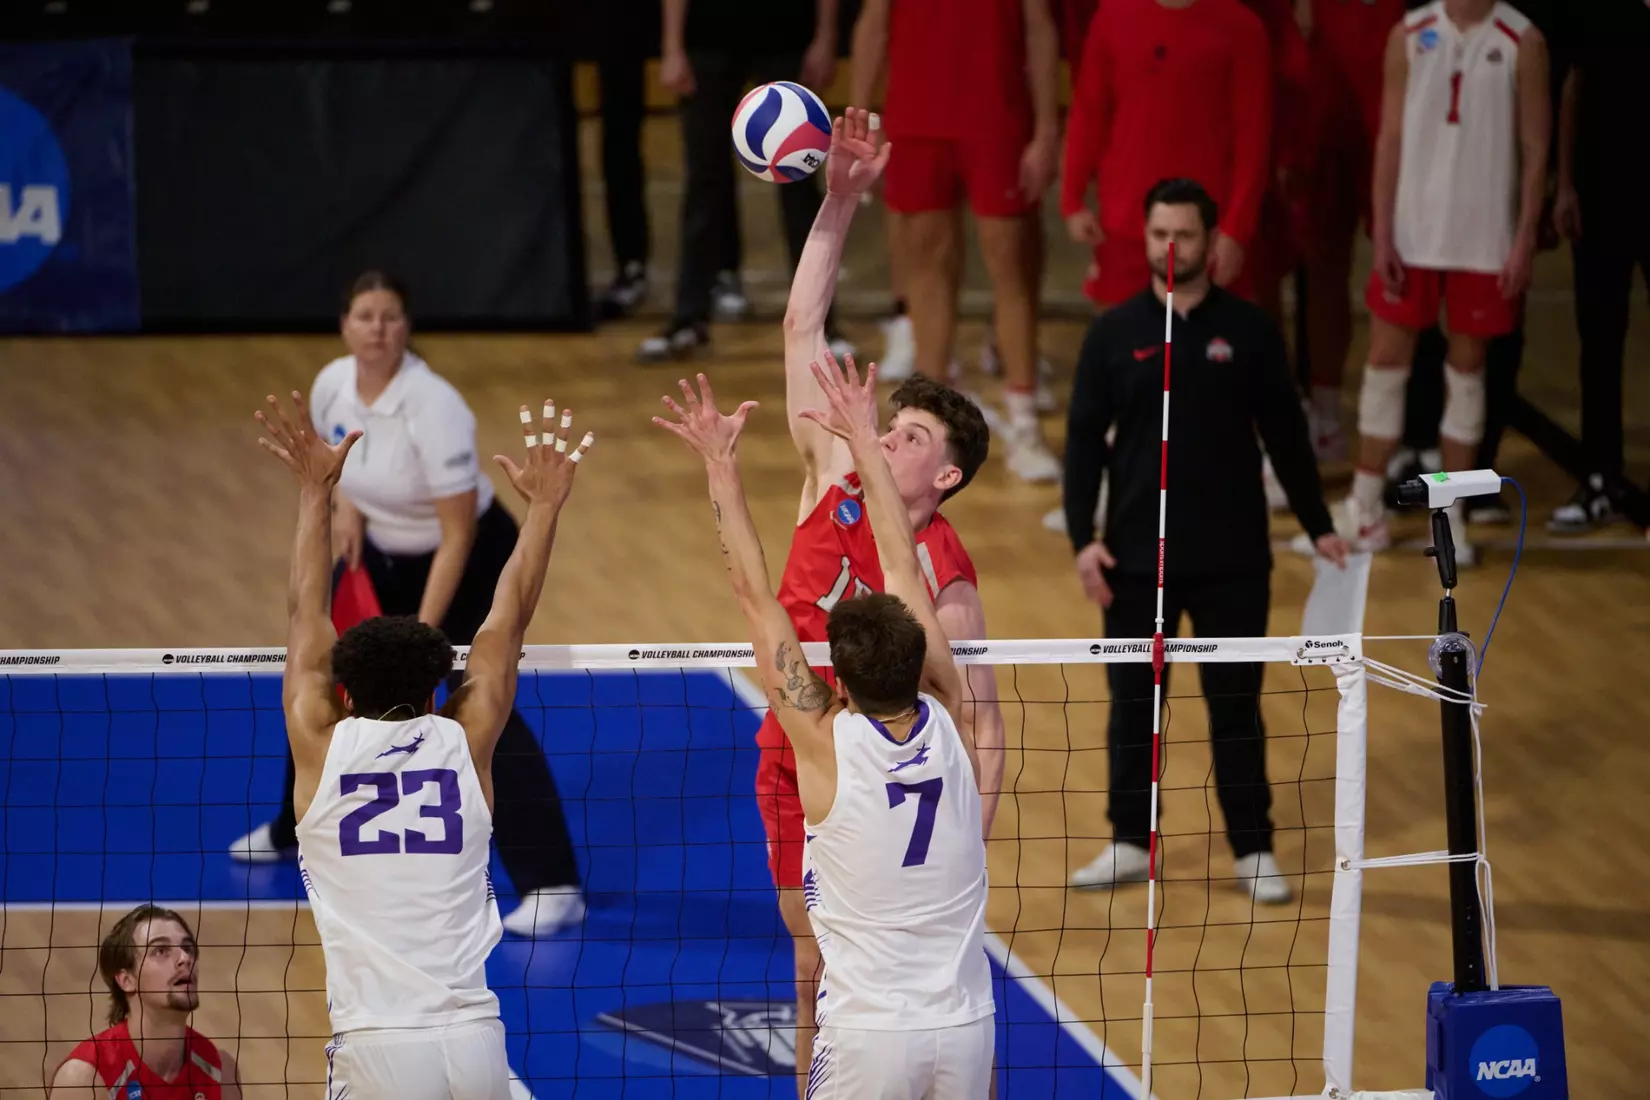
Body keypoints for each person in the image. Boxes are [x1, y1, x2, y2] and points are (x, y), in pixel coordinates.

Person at [747, 107, 1003, 1095]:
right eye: (890, 426)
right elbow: (801, 323)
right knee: (812, 953)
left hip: (892, 772)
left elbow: (984, 722)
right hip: (797, 748)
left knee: (855, 958)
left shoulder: (948, 570)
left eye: (912, 438)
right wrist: (842, 199)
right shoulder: (829, 474)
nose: (890, 439)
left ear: (947, 477)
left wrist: (961, 853)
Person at [653, 362, 994, 1099]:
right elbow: (904, 563)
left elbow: (752, 591)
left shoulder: (822, 743)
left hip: (870, 1041)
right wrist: (872, 450)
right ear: (919, 656)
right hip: (967, 1030)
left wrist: (720, 464)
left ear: (833, 669)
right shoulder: (951, 713)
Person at [253, 388, 591, 1099]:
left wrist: (317, 492)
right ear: (440, 687)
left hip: (375, 1049)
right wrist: (545, 508)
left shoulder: (318, 745)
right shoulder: (465, 745)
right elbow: (508, 618)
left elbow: (305, 612)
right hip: (474, 1040)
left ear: (344, 692)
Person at [228, 273, 585, 940]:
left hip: (462, 556)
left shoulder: (435, 405)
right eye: (366, 316)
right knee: (321, 682)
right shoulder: (335, 382)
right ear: (345, 325)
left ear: (407, 327)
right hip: (380, 551)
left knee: (475, 702)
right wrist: (347, 510)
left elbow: (458, 534)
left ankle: (551, 880)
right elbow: (353, 465)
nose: (378, 329)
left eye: (391, 318)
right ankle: (290, 822)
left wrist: (423, 634)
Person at [1061, 179, 1349, 902]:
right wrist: (1080, 540)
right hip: (1133, 562)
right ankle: (1130, 840)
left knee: (1236, 706)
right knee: (1133, 706)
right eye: (1159, 234)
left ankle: (1253, 848)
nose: (1170, 248)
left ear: (1211, 242)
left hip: (1233, 564)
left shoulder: (1249, 332)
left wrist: (1320, 527)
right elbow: (1081, 446)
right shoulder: (1113, 333)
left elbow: (1286, 436)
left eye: (1184, 235)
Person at [1342, 0, 1550, 564]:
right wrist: (1383, 231)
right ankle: (1363, 509)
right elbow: (1389, 139)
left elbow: (1536, 151)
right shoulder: (1409, 34)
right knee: (1385, 364)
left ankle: (1450, 517)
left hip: (1483, 239)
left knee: (1467, 373)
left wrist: (1524, 235)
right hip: (1412, 233)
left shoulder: (1521, 38)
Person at [850, 0, 1064, 482]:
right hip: (917, 116)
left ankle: (1025, 420)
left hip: (997, 115)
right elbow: (873, 23)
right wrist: (862, 114)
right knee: (927, 269)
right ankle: (927, 428)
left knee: (1011, 268)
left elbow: (1039, 28)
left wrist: (1047, 128)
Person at [640, 0, 850, 361]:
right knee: (704, 184)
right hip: (708, 41)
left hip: (787, 39)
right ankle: (688, 319)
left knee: (801, 190)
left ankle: (822, 326)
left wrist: (825, 37)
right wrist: (672, 46)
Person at [1061, 0, 1273, 308]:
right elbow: (1089, 113)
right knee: (1125, 348)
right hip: (1126, 226)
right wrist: (1072, 198)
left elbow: (1253, 140)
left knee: (1204, 350)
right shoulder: (1113, 17)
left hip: (1206, 232)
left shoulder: (1242, 28)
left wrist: (1236, 230)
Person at [1546, 0, 1650, 533]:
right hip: (1602, 191)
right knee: (1600, 341)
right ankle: (1600, 478)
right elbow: (1572, 86)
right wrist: (1564, 184)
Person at [1300, 0, 1407, 459]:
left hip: (1395, 114)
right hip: (1325, 106)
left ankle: (1408, 430)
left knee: (1405, 270)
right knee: (1319, 260)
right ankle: (1321, 411)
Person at [50, 905, 241, 1099]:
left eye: (187, 948)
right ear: (127, 980)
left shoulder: (221, 1071)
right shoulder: (85, 1079)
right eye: (161, 950)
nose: (185, 958)